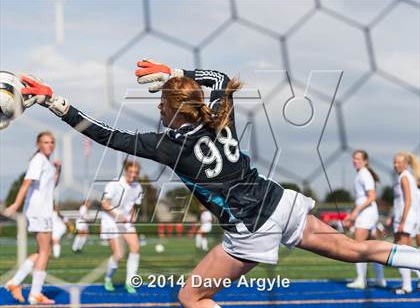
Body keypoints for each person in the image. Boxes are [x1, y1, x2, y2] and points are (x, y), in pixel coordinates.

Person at [18, 62, 420, 308]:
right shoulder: (219, 115)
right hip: (279, 202)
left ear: (175, 112)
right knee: (355, 250)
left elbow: (107, 135)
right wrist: (176, 73)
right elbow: (221, 77)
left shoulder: (168, 147)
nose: (158, 109)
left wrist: (58, 104)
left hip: (251, 227)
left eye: (161, 105)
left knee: (191, 298)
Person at [4, 131, 60, 305]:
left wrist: (59, 169)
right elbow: (26, 183)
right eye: (45, 142)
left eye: (51, 142)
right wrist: (15, 204)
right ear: (38, 144)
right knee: (45, 252)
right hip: (38, 211)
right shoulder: (38, 160)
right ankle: (35, 294)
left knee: (42, 251)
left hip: (43, 210)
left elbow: (52, 185)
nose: (49, 145)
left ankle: (14, 282)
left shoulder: (46, 163)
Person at [344, 150, 386, 289]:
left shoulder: (364, 174)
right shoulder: (361, 174)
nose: (355, 161)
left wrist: (355, 212)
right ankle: (380, 279)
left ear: (365, 160)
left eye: (358, 158)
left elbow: (372, 196)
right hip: (367, 213)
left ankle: (361, 280)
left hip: (366, 213)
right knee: (373, 248)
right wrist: (353, 214)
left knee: (358, 247)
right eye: (354, 158)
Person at [100, 160, 143, 294]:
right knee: (118, 254)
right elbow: (104, 204)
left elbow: (134, 206)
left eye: (136, 173)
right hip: (110, 221)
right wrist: (118, 216)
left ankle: (129, 283)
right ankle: (108, 278)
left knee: (135, 248)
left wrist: (133, 215)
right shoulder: (114, 184)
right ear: (125, 171)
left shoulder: (138, 187)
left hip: (125, 222)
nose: (133, 175)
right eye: (130, 171)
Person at [387, 152, 420, 294]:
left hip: (406, 219)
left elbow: (408, 201)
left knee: (401, 254)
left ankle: (406, 286)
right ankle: (408, 284)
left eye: (399, 162)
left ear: (406, 164)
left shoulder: (405, 177)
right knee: (406, 253)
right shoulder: (406, 176)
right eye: (394, 162)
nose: (396, 165)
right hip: (406, 218)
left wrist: (402, 221)